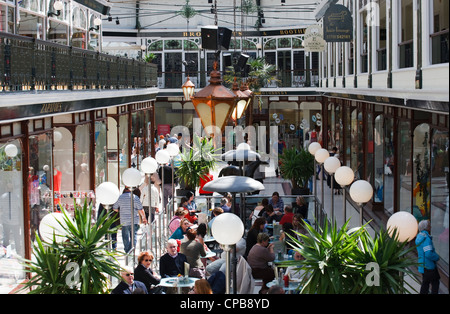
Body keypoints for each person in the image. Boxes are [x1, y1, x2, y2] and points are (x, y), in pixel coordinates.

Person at [112, 187, 147, 253]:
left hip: (124, 221)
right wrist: (144, 218)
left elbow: (115, 208)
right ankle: (132, 250)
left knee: (125, 236)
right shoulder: (135, 197)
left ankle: (127, 251)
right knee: (134, 236)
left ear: (124, 190)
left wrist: (121, 210)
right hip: (134, 220)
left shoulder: (120, 197)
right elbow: (140, 209)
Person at [416, 220, 440, 294]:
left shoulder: (419, 237)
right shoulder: (426, 239)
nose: (431, 227)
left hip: (422, 265)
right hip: (429, 266)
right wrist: (436, 257)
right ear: (426, 228)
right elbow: (428, 253)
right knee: (435, 281)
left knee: (425, 283)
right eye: (429, 225)